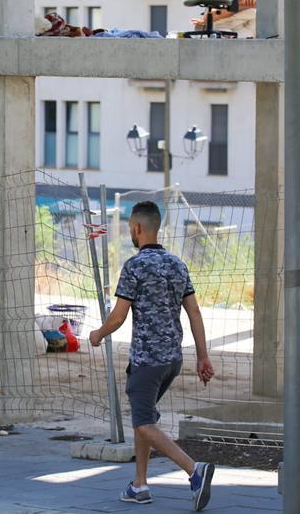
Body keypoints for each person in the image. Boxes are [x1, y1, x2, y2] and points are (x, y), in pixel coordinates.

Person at [89, 201, 215, 510]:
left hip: (147, 361)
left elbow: (118, 317)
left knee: (144, 423)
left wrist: (97, 334)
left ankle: (194, 470)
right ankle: (140, 485)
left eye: (130, 228)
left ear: (136, 228)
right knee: (143, 417)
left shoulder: (134, 266)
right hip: (173, 359)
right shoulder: (177, 264)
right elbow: (194, 312)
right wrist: (203, 357)